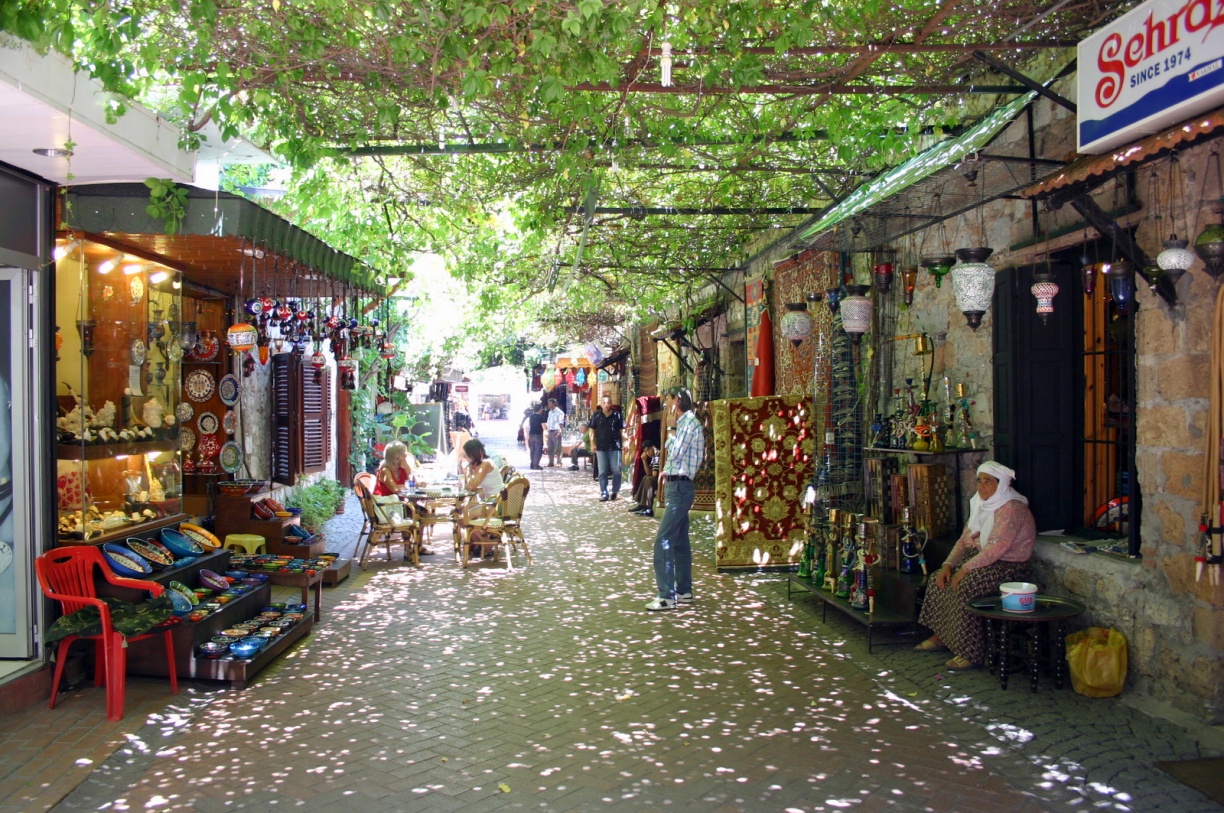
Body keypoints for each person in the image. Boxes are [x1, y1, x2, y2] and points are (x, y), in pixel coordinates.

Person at [914, 460, 1036, 671]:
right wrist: (948, 564)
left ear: (1002, 485)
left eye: (987, 482)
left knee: (967, 585)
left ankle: (970, 651)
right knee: (938, 579)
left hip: (1008, 566)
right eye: (979, 481)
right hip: (981, 560)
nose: (981, 487)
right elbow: (964, 540)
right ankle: (941, 636)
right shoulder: (981, 504)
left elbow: (996, 548)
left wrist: (965, 569)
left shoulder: (1012, 510)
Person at [647, 388, 705, 610]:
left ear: (677, 401)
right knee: (680, 543)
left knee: (662, 542)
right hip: (677, 486)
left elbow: (677, 451)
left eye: (668, 400)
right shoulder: (686, 423)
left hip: (680, 488)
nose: (666, 405)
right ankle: (684, 591)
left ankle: (666, 596)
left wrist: (670, 432)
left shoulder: (688, 423)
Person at [588, 394, 624, 501]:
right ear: (601, 404)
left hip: (615, 447)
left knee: (616, 470)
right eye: (604, 402)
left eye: (608, 402)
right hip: (601, 447)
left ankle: (615, 491)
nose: (606, 405)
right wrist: (592, 443)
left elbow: (622, 430)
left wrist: (625, 443)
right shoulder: (596, 415)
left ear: (611, 403)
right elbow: (592, 431)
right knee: (602, 472)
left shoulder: (617, 415)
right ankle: (604, 492)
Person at [629, 443, 660, 516]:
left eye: (649, 450)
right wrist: (644, 460)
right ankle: (642, 504)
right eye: (646, 451)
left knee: (649, 480)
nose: (648, 453)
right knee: (645, 477)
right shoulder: (653, 457)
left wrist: (652, 472)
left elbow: (654, 474)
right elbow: (649, 473)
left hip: (663, 479)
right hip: (657, 477)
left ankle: (648, 507)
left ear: (654, 447)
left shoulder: (658, 454)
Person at [545, 398, 565, 467]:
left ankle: (559, 461)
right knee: (550, 447)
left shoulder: (559, 412)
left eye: (550, 403)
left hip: (556, 431)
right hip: (550, 431)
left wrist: (560, 431)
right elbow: (548, 422)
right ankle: (551, 461)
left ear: (554, 404)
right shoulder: (550, 412)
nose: (548, 405)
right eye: (548, 403)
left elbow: (561, 422)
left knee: (558, 447)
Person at [526, 403, 547, 469]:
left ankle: (532, 464)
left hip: (531, 434)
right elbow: (544, 427)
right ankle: (536, 465)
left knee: (532, 450)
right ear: (540, 409)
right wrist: (546, 427)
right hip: (538, 435)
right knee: (538, 450)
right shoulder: (541, 417)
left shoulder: (531, 416)